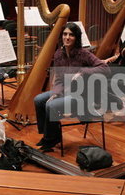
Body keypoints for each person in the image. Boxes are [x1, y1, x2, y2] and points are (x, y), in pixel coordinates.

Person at [34, 22, 110, 152]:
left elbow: (105, 68)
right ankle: (50, 135)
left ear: (77, 38)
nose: (67, 37)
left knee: (50, 105)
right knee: (39, 100)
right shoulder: (58, 54)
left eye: (71, 35)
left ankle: (50, 138)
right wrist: (56, 93)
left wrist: (83, 71)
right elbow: (58, 78)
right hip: (65, 91)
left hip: (81, 97)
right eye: (65, 34)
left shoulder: (84, 54)